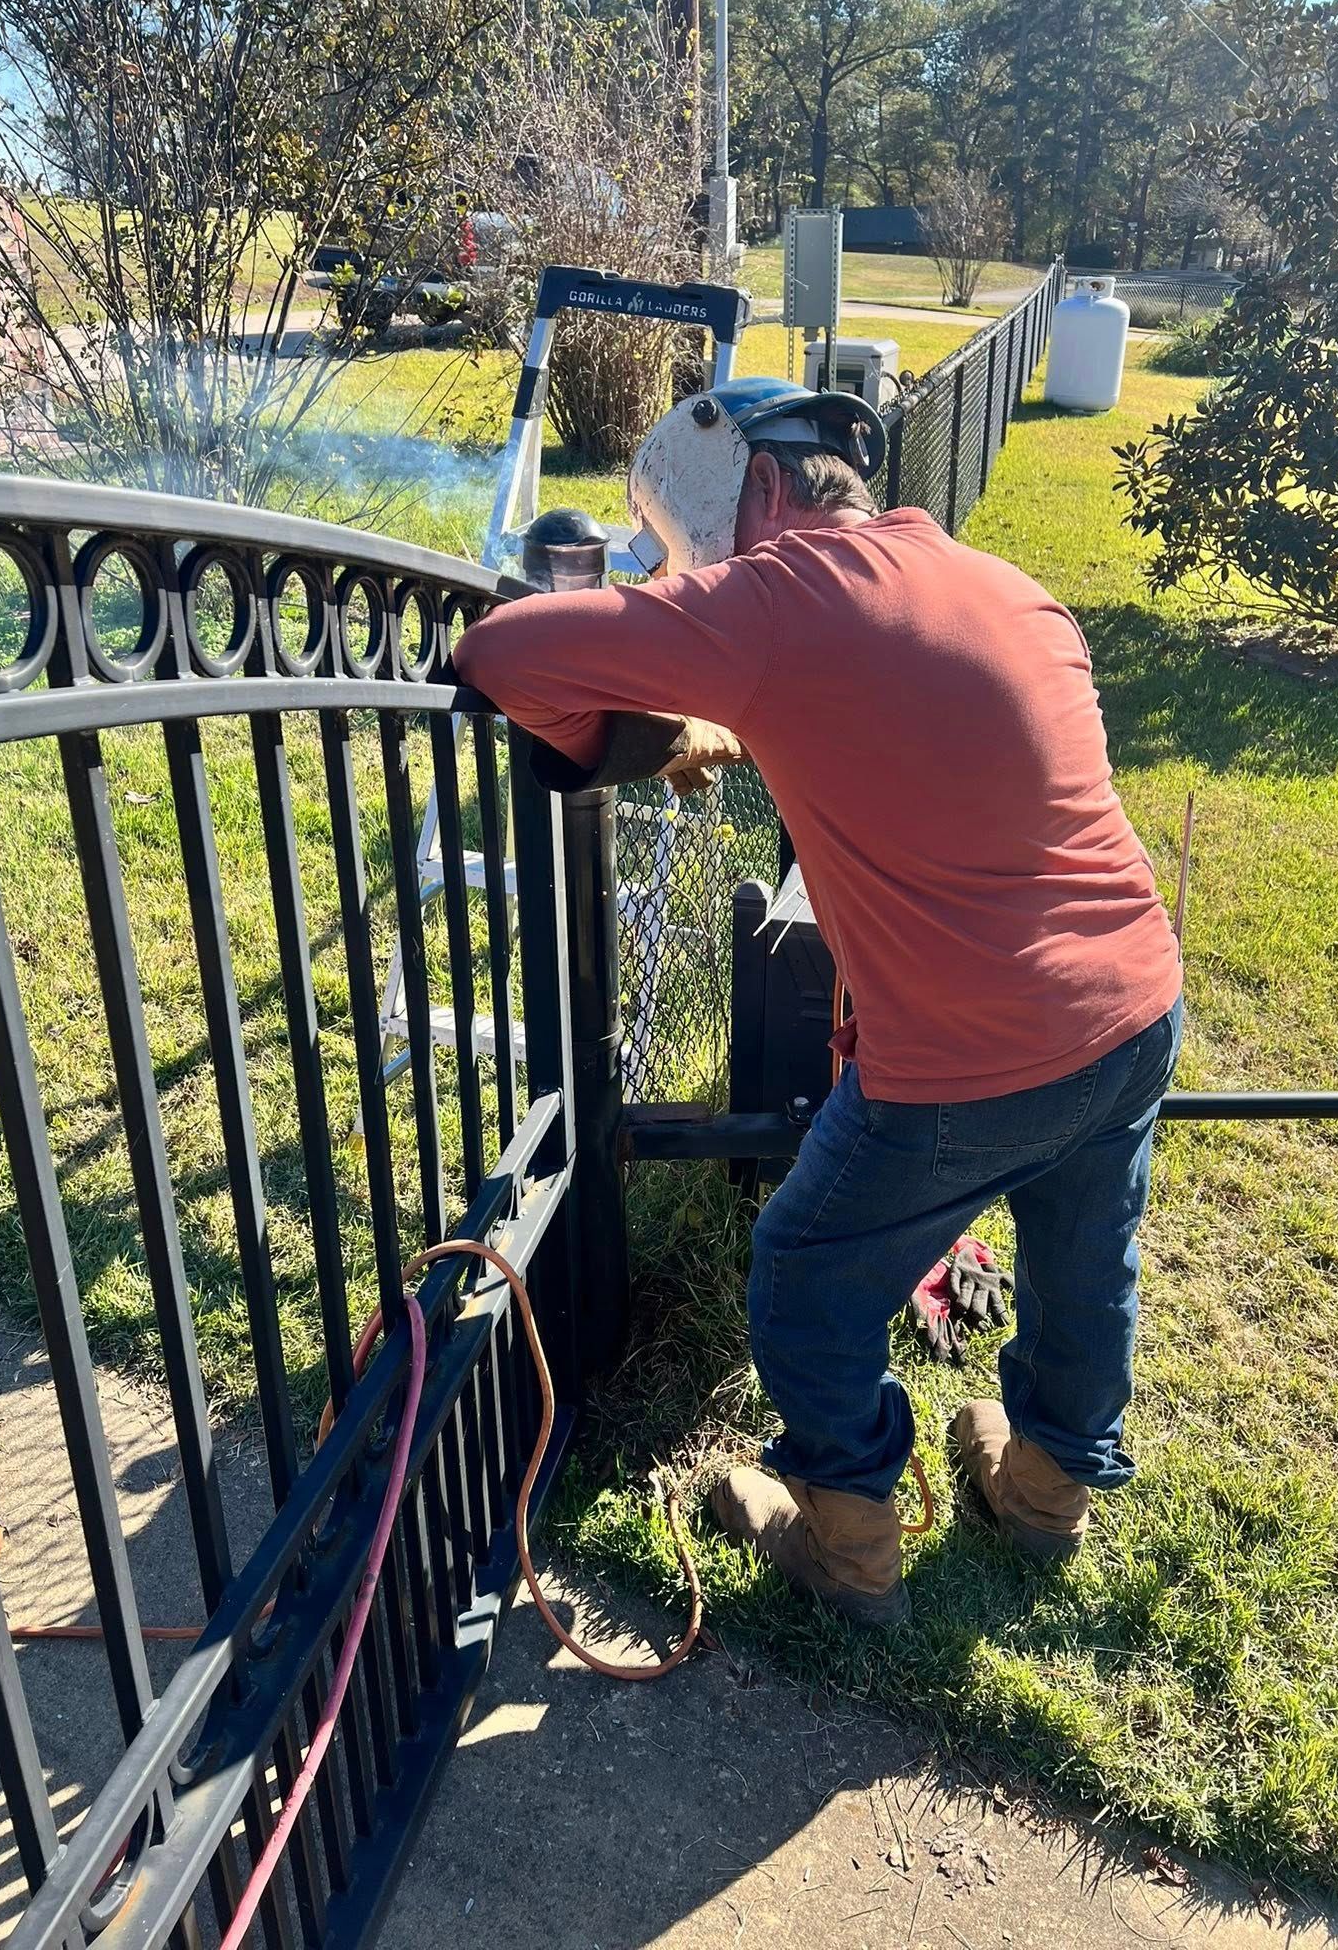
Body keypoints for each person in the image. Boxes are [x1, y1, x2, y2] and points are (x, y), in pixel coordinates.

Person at [453, 376, 1183, 1630]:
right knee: (1080, 1256)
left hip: (969, 1059)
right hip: (1132, 1010)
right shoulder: (1003, 584)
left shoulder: (782, 589)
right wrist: (747, 729)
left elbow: (500, 652)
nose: (708, 579)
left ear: (765, 491)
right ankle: (1046, 1492)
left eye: (705, 553)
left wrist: (610, 738)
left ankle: (847, 1538)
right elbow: (930, 742)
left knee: (804, 1269)